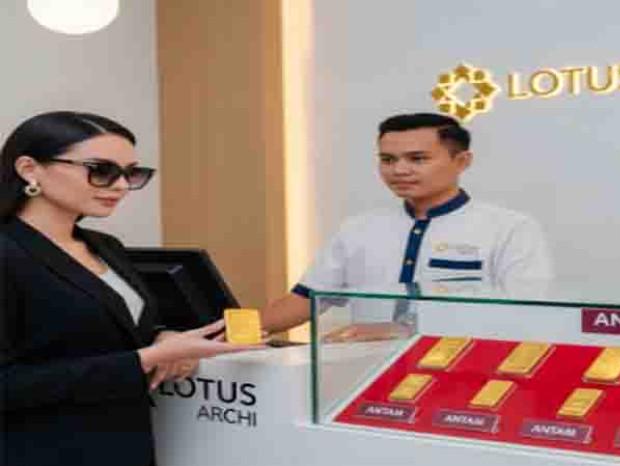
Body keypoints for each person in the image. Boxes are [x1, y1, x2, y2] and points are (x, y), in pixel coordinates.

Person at [0, 111, 261, 466]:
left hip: (122, 440)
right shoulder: (8, 252)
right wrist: (148, 358)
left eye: (131, 173)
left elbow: (109, 330)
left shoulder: (106, 246)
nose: (121, 186)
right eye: (101, 170)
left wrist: (163, 336)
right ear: (30, 169)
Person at [262, 112, 552, 334]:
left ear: (462, 161)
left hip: (467, 374)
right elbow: (306, 300)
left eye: (417, 159)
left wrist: (405, 329)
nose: (399, 170)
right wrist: (242, 330)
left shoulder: (510, 228)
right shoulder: (358, 229)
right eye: (388, 160)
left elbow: (523, 311)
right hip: (363, 374)